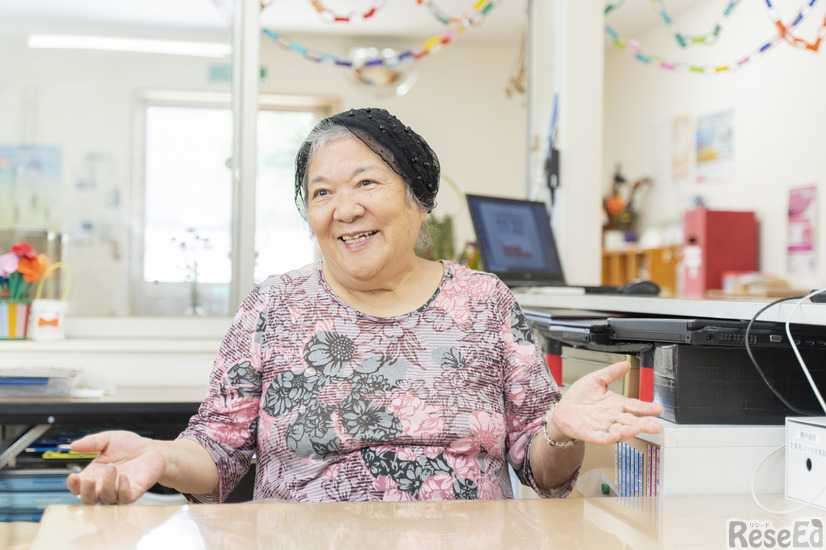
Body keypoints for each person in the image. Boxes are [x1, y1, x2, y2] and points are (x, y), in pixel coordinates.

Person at [67, 107, 663, 504]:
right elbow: (217, 452)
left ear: (418, 200)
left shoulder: (483, 302)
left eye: (365, 183)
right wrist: (161, 457)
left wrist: (558, 430)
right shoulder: (274, 306)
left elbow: (543, 471)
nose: (342, 208)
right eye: (321, 193)